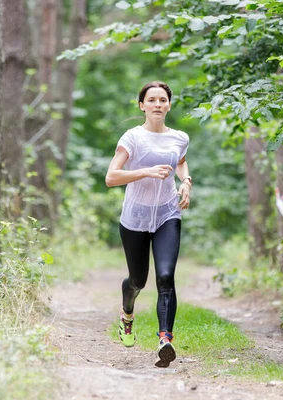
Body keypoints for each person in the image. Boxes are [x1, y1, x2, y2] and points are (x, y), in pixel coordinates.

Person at [105, 81, 191, 368]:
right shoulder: (132, 138)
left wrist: (186, 182)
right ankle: (127, 313)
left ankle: (165, 339)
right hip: (136, 217)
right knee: (138, 280)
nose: (157, 104)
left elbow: (180, 161)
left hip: (168, 213)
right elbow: (111, 177)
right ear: (141, 105)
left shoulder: (179, 137)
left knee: (165, 277)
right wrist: (145, 172)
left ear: (169, 105)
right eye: (151, 100)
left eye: (162, 100)